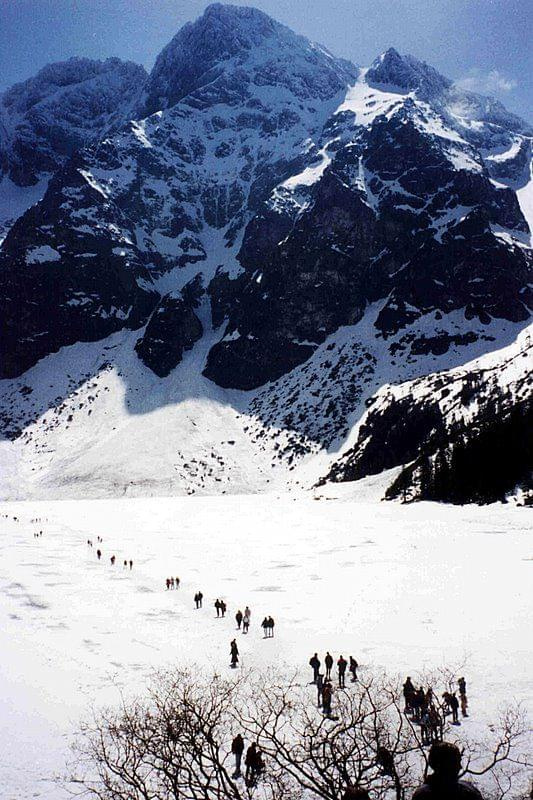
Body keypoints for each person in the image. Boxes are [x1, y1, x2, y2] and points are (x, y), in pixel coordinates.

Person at [412, 741, 485, 798]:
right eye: (455, 763)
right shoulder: (468, 793)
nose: (460, 767)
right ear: (440, 765)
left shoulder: (421, 794)